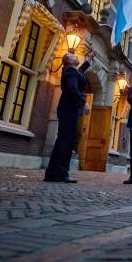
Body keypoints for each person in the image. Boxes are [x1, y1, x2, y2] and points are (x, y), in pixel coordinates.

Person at [45, 52, 93, 183]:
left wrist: (88, 60)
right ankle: (61, 173)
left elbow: (79, 73)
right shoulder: (71, 71)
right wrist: (85, 101)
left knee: (62, 140)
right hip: (69, 109)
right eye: (72, 56)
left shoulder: (71, 70)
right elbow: (72, 88)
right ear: (69, 61)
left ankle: (51, 173)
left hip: (67, 109)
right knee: (66, 142)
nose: (76, 56)